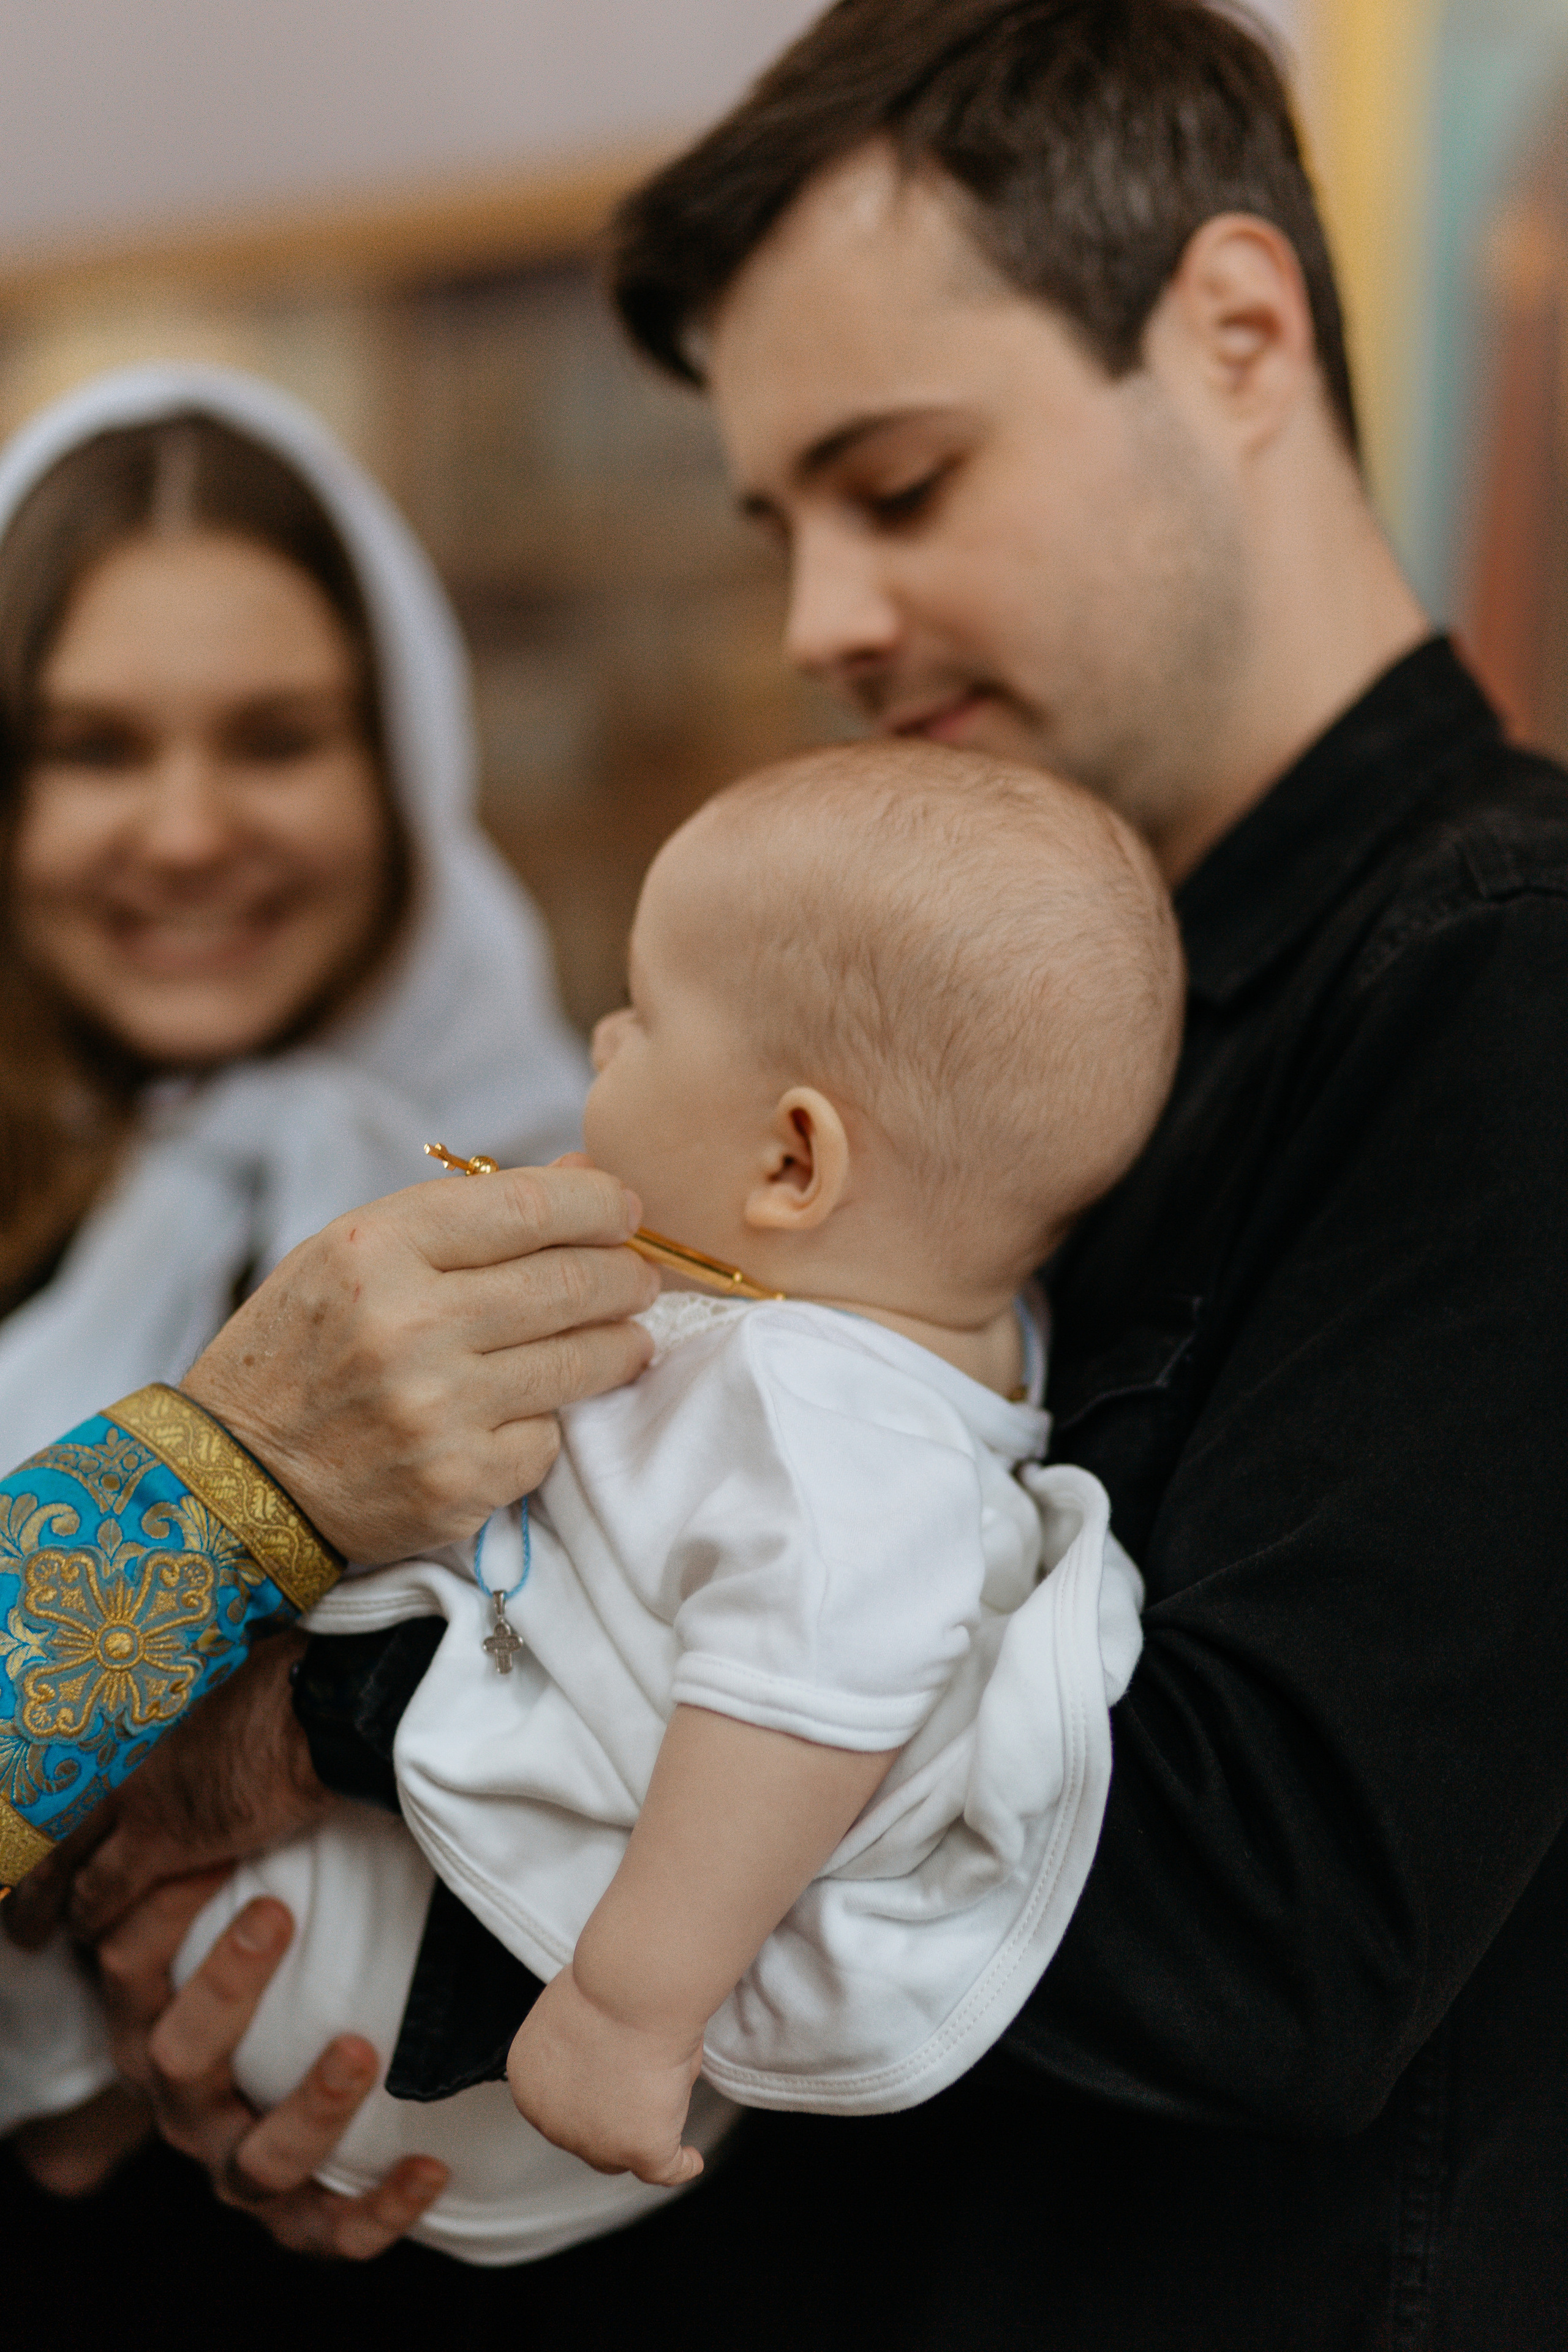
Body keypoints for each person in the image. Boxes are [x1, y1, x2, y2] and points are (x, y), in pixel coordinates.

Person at [5, 1, 1567, 2340]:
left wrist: (328, 1738)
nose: (821, 615)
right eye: (781, 523)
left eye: (903, 481)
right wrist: (393, 2057)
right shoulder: (977, 1034)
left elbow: (1264, 1918)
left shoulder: (1498, 980)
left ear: (1238, 328)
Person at [163, 741, 1166, 2263]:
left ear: (791, 1156)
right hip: (466, 2003)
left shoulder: (845, 1430)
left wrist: (632, 2006)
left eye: (642, 1014)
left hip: (519, 2019)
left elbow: (800, 1701)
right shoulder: (886, 1332)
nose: (600, 1033)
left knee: (70, 1909)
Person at [0, 361, 587, 2181]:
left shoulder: (575, 1175)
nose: (185, 831)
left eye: (273, 739)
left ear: (403, 760)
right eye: (93, 749)